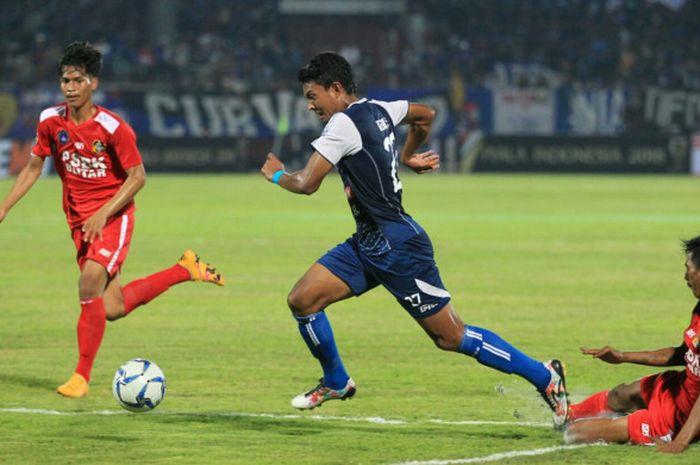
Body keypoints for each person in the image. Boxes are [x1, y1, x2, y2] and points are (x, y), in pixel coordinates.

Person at [260, 52, 569, 426]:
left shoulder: (341, 125)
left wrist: (278, 175)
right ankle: (337, 381)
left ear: (336, 88)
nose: (311, 105)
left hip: (399, 246)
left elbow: (307, 183)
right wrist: (409, 155)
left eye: (313, 96)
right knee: (303, 299)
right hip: (368, 241)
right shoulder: (380, 109)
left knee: (451, 338)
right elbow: (425, 115)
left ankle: (545, 375)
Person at [0, 42, 225, 398]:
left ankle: (80, 377)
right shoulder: (49, 121)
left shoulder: (113, 128)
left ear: (93, 83)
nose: (70, 87)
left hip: (113, 219)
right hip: (79, 223)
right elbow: (33, 166)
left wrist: (104, 213)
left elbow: (138, 177)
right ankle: (185, 269)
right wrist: (5, 206)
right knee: (113, 308)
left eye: (77, 80)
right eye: (65, 81)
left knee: (89, 283)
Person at [565, 236, 700, 453]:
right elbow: (683, 353)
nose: (685, 276)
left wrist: (681, 441)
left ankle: (636, 425)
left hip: (678, 418)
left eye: (688, 269)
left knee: (576, 433)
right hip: (677, 390)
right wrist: (623, 356)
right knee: (620, 394)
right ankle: (565, 413)